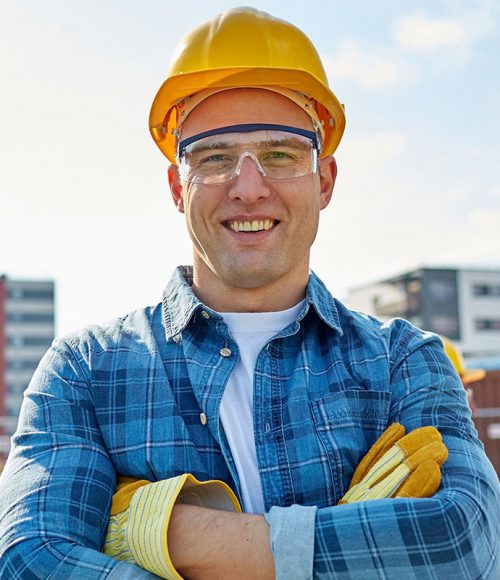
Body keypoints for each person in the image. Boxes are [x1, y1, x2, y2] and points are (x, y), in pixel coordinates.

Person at [0, 6, 499, 579]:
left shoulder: (404, 362)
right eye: (213, 158)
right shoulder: (86, 372)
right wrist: (357, 545)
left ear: (326, 181)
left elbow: (463, 544)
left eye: (280, 155)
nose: (248, 187)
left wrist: (163, 534)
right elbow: (30, 560)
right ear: (176, 187)